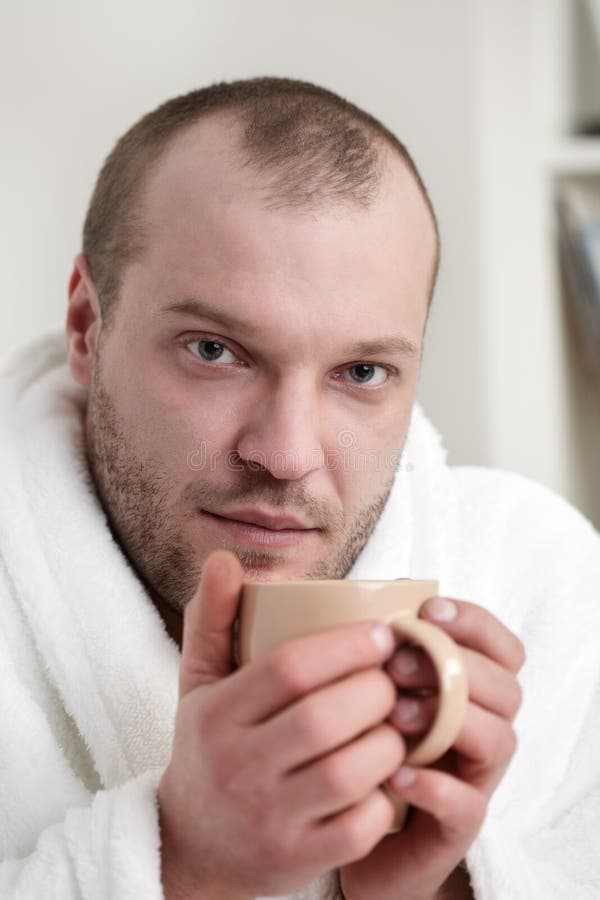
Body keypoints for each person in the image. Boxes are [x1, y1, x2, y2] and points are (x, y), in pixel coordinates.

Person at [0, 76, 598, 900]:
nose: (285, 455)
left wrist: (433, 888)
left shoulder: (545, 586)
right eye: (214, 351)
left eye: (361, 371)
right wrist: (187, 866)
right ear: (86, 327)